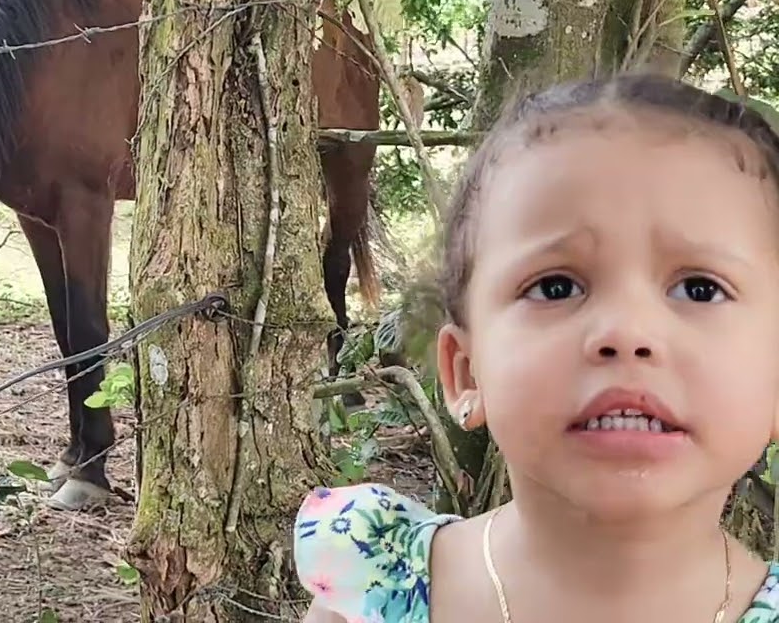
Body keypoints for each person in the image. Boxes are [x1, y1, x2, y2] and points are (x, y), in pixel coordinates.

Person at [294, 73, 779, 623]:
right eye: (556, 287)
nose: (627, 332)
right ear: (466, 374)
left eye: (700, 289)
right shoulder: (373, 587)